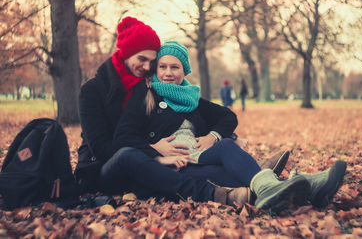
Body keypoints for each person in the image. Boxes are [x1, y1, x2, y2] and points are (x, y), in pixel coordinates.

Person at [74, 17, 288, 207]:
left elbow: (192, 117)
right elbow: (105, 148)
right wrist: (153, 152)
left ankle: (275, 186)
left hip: (152, 164)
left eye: (152, 62)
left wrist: (226, 137)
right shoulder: (93, 90)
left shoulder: (149, 86)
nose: (148, 66)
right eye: (143, 59)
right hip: (104, 167)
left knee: (214, 168)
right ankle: (221, 193)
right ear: (127, 54)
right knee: (130, 156)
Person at [113, 41, 347, 211]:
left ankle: (287, 187)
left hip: (202, 154)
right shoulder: (145, 97)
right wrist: (156, 151)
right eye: (162, 67)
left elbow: (228, 116)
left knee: (226, 146)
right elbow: (123, 138)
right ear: (156, 70)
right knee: (233, 175)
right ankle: (309, 185)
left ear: (184, 70)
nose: (168, 73)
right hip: (177, 166)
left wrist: (213, 136)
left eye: (175, 67)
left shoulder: (191, 99)